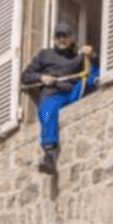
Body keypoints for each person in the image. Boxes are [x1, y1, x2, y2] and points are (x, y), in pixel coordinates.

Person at [21, 21, 99, 175]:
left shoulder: (78, 55)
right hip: (54, 94)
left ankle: (101, 84)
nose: (62, 39)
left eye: (65, 36)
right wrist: (41, 77)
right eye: (59, 36)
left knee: (95, 70)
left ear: (72, 38)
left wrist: (91, 55)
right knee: (47, 110)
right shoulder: (45, 55)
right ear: (54, 38)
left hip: (73, 91)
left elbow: (89, 66)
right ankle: (49, 154)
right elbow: (25, 76)